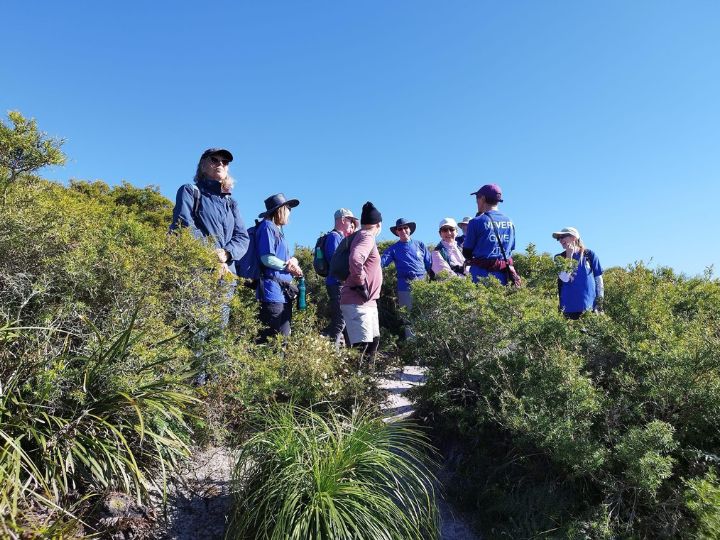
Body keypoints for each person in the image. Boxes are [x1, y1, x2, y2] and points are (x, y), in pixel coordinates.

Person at [170, 147, 249, 322]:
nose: (220, 164)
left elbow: (242, 237)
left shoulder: (231, 203)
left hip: (226, 275)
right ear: (203, 165)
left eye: (225, 162)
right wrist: (213, 254)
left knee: (218, 332)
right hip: (199, 271)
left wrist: (227, 253)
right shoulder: (190, 191)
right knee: (196, 326)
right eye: (214, 160)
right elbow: (183, 226)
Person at [340, 201, 383, 368]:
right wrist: (361, 284)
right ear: (378, 224)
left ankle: (367, 380)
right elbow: (356, 258)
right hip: (357, 299)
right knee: (361, 345)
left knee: (373, 341)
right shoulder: (367, 236)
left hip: (368, 302)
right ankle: (355, 381)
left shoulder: (361, 235)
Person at [255, 193, 303, 341]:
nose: (290, 212)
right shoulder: (267, 227)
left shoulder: (276, 230)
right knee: (271, 340)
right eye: (288, 208)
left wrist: (292, 261)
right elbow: (266, 258)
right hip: (271, 293)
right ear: (280, 210)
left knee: (282, 340)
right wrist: (287, 267)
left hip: (282, 294)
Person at [381, 218, 433, 337]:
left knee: (424, 314)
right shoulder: (393, 249)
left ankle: (426, 342)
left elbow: (430, 264)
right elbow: (381, 262)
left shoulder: (420, 245)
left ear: (410, 229)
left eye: (405, 227)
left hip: (422, 284)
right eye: (400, 229)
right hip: (404, 286)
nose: (403, 230)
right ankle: (411, 344)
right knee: (408, 316)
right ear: (397, 232)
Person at [462, 184, 517, 285]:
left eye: (477, 198)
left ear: (482, 198)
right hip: (504, 277)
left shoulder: (476, 221)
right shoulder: (510, 221)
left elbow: (467, 252)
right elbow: (511, 248)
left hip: (480, 276)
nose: (476, 202)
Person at [323, 208, 360, 348]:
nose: (352, 223)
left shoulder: (340, 237)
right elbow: (335, 261)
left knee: (346, 320)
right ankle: (333, 352)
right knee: (340, 320)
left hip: (340, 284)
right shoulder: (334, 237)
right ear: (343, 220)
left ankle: (351, 353)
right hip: (337, 284)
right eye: (351, 220)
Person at [552, 227, 604, 319]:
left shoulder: (589, 255)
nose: (560, 240)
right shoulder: (559, 257)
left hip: (589, 308)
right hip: (568, 309)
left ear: (574, 237)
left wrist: (600, 303)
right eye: (558, 238)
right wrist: (569, 255)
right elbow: (565, 278)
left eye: (563, 237)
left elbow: (599, 280)